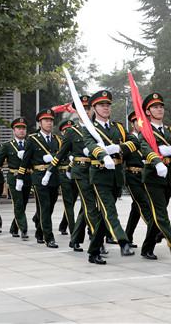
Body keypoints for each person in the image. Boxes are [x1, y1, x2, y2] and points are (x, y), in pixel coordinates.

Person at [82, 90, 140, 265]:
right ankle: (123, 241)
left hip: (116, 175)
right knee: (110, 211)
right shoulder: (90, 129)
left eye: (107, 105)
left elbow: (135, 142)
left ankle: (93, 251)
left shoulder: (118, 127)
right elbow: (91, 145)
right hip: (100, 175)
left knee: (103, 216)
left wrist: (117, 148)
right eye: (101, 105)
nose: (106, 108)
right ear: (94, 108)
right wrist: (103, 154)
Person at [45, 96, 103, 254]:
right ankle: (97, 240)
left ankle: (75, 239)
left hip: (97, 171)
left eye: (88, 108)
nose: (86, 111)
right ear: (77, 112)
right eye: (82, 108)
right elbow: (61, 153)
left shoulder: (98, 128)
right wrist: (49, 171)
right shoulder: (71, 131)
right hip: (81, 172)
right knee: (90, 206)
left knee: (88, 208)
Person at [139, 93, 171, 260]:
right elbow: (145, 148)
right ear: (147, 111)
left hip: (168, 175)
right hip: (153, 175)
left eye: (161, 107)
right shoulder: (145, 131)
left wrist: (170, 150)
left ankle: (147, 248)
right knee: (161, 213)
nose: (159, 109)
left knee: (157, 214)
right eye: (155, 107)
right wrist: (157, 161)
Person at [16, 109, 61, 248]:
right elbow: (26, 160)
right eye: (46, 120)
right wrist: (20, 177)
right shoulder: (33, 139)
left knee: (51, 205)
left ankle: (39, 229)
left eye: (51, 120)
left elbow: (61, 155)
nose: (49, 123)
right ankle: (49, 237)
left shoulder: (56, 139)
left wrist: (53, 156)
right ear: (40, 123)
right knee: (45, 206)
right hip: (39, 176)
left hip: (53, 176)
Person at [0, 118, 31, 239]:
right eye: (18, 128)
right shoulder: (7, 146)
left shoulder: (30, 144)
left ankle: (14, 228)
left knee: (24, 203)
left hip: (27, 176)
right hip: (14, 177)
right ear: (13, 130)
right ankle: (24, 229)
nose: (21, 131)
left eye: (23, 128)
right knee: (18, 203)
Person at [124, 111, 153, 249]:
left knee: (136, 208)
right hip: (133, 176)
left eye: (143, 121)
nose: (141, 124)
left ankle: (127, 237)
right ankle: (155, 229)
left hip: (146, 176)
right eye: (137, 121)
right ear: (132, 123)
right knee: (143, 203)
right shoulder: (128, 139)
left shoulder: (148, 139)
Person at [56, 120, 78, 236]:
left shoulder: (76, 142)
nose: (67, 132)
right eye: (65, 130)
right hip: (63, 173)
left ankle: (63, 225)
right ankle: (73, 230)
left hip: (75, 173)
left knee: (72, 201)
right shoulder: (59, 142)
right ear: (62, 132)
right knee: (68, 202)